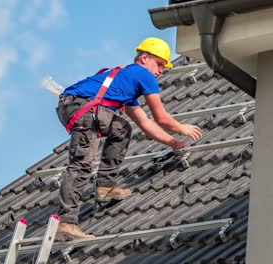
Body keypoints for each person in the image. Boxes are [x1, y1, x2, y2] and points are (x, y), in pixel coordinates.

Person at [54, 37, 202, 241]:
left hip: (80, 106)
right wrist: (182, 128)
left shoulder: (126, 82)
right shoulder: (142, 74)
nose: (160, 71)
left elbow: (145, 122)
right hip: (83, 108)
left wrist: (173, 143)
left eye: (163, 67)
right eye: (158, 64)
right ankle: (66, 223)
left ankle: (105, 186)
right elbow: (161, 118)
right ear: (144, 58)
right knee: (82, 166)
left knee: (121, 128)